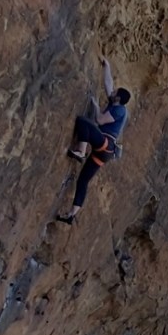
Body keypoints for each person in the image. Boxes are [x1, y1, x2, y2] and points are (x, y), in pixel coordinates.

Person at [56, 57, 131, 225]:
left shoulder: (119, 111)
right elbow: (108, 84)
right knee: (83, 180)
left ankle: (81, 152)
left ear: (118, 98)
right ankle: (72, 215)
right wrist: (107, 67)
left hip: (106, 145)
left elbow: (100, 120)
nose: (112, 93)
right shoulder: (116, 103)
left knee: (83, 122)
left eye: (115, 93)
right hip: (103, 152)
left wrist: (96, 105)